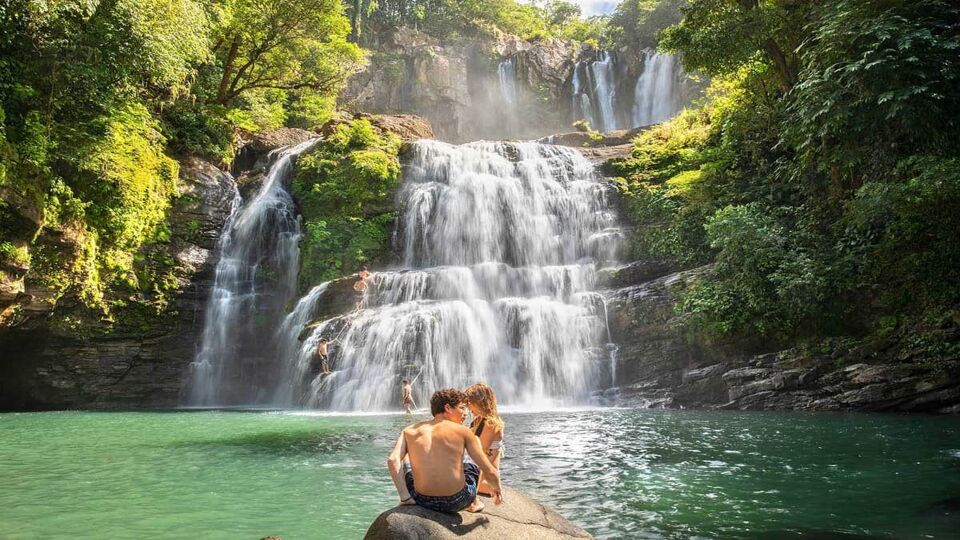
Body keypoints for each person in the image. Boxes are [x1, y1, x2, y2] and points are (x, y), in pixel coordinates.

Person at [387, 388, 503, 513]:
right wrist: (497, 489)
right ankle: (473, 502)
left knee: (405, 457)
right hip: (458, 500)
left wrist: (405, 497)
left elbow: (393, 460)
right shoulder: (463, 432)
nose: (465, 413)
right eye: (462, 408)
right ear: (447, 408)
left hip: (421, 499)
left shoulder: (409, 430)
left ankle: (405, 498)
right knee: (475, 445)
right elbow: (488, 469)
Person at [465, 383, 505, 498]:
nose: (468, 407)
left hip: (483, 482)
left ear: (480, 402)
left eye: (470, 403)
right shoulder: (479, 421)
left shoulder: (490, 423)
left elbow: (479, 455)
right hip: (477, 476)